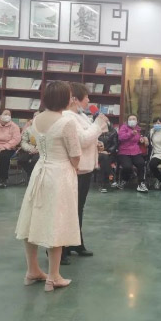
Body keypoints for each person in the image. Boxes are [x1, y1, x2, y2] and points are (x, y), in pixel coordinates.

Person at [15, 81, 82, 292]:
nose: (72, 98)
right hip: (59, 174)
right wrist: (75, 166)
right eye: (70, 95)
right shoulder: (66, 122)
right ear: (63, 98)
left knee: (32, 219)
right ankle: (53, 276)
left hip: (40, 171)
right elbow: (75, 155)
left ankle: (32, 270)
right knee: (56, 220)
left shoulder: (37, 118)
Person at [63, 82, 109, 261]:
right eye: (86, 97)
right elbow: (82, 140)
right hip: (76, 168)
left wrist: (97, 142)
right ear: (75, 99)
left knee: (78, 208)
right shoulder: (68, 116)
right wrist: (98, 124)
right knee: (70, 209)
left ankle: (76, 242)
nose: (89, 100)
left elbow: (88, 137)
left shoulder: (80, 115)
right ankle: (62, 247)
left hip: (85, 168)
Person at [117, 114, 149, 191]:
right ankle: (124, 180)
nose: (132, 120)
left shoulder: (138, 129)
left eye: (134, 119)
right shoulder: (123, 127)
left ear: (137, 121)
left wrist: (141, 139)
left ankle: (141, 183)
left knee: (141, 163)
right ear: (127, 121)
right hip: (124, 152)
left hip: (136, 151)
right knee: (127, 167)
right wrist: (131, 133)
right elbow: (121, 137)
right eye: (130, 119)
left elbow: (138, 138)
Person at [18, 111, 41, 182]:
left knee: (35, 160)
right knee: (21, 160)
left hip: (40, 151)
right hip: (29, 149)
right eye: (34, 116)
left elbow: (46, 142)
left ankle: (33, 177)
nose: (36, 117)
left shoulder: (46, 129)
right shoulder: (28, 129)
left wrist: (37, 149)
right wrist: (30, 149)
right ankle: (31, 174)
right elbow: (23, 142)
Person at [97, 122, 119, 193]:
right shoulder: (95, 131)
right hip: (96, 154)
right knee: (104, 158)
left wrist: (108, 151)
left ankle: (102, 185)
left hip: (109, 154)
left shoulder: (113, 132)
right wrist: (99, 151)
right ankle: (111, 177)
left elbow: (115, 144)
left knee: (105, 160)